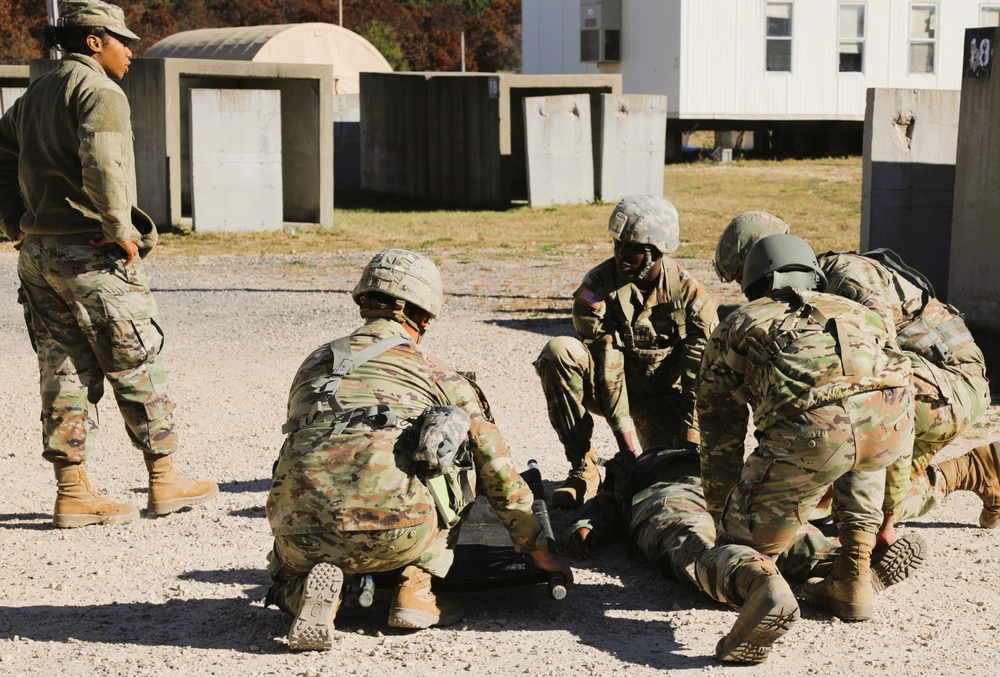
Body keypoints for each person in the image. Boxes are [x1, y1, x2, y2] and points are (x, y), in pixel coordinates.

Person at [265, 249, 573, 651]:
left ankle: (303, 591)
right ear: (423, 316)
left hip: (300, 533)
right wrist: (536, 546)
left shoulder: (313, 363)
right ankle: (417, 589)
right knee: (453, 448)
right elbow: (494, 464)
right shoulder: (435, 371)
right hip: (399, 533)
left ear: (365, 302)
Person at [0, 0, 217, 528]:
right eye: (123, 41)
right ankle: (165, 481)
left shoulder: (36, 94)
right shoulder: (99, 91)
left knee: (62, 367)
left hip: (39, 253)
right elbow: (102, 161)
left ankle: (72, 491)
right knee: (136, 361)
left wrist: (13, 221)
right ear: (94, 41)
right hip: (91, 253)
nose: (130, 52)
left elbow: (0, 153)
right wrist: (120, 231)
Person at [714, 212, 999, 531]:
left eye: (743, 273)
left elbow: (883, 364)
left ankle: (970, 471)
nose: (745, 288)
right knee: (845, 498)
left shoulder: (847, 274)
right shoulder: (805, 289)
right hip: (919, 383)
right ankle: (978, 470)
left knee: (860, 507)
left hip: (952, 384)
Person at [698, 234, 915, 623]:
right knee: (867, 422)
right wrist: (889, 517)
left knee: (725, 560)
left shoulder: (739, 323)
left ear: (753, 283)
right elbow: (898, 397)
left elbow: (719, 435)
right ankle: (853, 574)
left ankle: (762, 588)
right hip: (887, 427)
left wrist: (723, 522)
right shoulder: (861, 313)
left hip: (811, 436)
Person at [564, 446, 926, 663]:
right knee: (775, 532)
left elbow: (605, 502)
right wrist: (588, 523)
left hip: (668, 495)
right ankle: (846, 567)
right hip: (723, 486)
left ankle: (756, 582)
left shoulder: (634, 467)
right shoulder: (694, 451)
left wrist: (585, 526)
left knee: (692, 545)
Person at [534, 194, 718, 508]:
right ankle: (584, 470)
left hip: (662, 397)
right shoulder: (596, 288)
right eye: (618, 244)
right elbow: (608, 364)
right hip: (606, 388)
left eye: (633, 248)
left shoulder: (691, 297)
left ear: (658, 250)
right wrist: (626, 447)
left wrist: (690, 442)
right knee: (559, 352)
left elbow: (699, 379)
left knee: (674, 480)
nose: (622, 254)